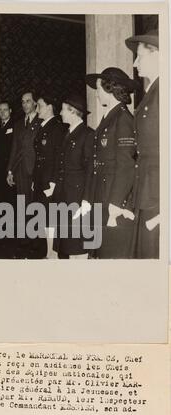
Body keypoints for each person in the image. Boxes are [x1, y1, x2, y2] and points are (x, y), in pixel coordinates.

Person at [81, 67, 139, 258]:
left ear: (109, 88)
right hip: (100, 193)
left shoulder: (123, 119)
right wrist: (88, 197)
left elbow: (126, 166)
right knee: (98, 250)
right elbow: (96, 161)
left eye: (98, 88)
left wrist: (115, 203)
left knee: (110, 252)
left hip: (111, 197)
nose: (96, 93)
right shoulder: (109, 117)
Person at [125, 29, 159, 258]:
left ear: (158, 55)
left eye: (140, 56)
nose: (135, 63)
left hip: (157, 194)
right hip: (146, 191)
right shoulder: (151, 93)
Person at [51, 94, 94, 258]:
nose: (60, 113)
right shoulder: (67, 133)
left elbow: (90, 170)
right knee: (64, 240)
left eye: (63, 110)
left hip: (76, 194)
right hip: (64, 192)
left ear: (73, 112)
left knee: (75, 243)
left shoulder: (87, 134)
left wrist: (86, 198)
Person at [6, 90, 42, 257]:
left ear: (35, 103)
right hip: (20, 170)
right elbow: (14, 148)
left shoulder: (42, 121)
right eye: (23, 102)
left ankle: (35, 241)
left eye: (28, 101)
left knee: (34, 205)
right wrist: (10, 170)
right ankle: (24, 240)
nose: (25, 104)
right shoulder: (19, 123)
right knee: (22, 205)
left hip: (35, 170)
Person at [31, 93, 65, 258]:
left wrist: (53, 182)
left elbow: (57, 158)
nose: (37, 109)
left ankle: (52, 254)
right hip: (40, 179)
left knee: (50, 217)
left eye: (40, 105)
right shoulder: (44, 126)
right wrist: (35, 180)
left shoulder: (57, 128)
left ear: (50, 107)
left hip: (49, 181)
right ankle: (48, 252)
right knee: (44, 216)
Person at [0, 101, 15, 202]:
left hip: (9, 168)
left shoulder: (16, 125)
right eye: (0, 110)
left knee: (10, 196)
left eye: (5, 110)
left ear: (10, 111)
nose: (2, 112)